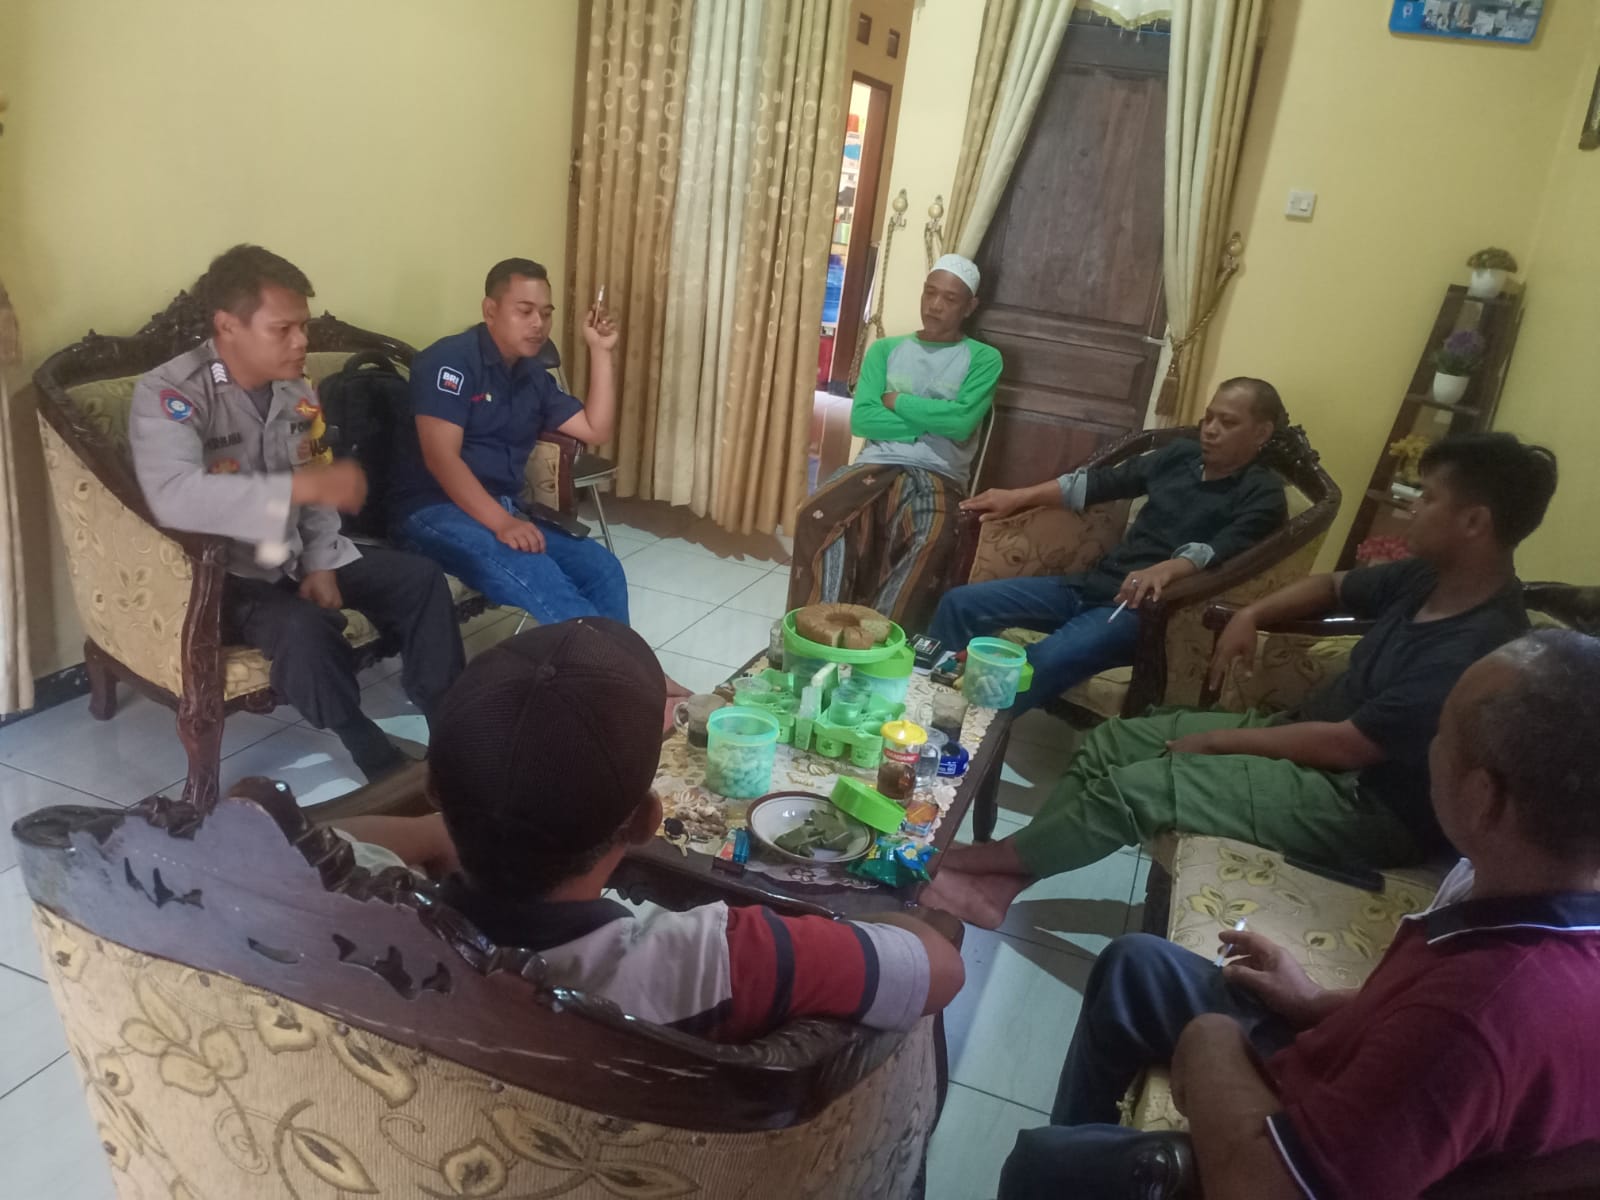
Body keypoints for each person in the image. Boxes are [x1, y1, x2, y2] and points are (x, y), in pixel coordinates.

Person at [997, 629, 1600, 1199]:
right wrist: (1315, 1002)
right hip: (1349, 1075)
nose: (1430, 748)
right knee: (1136, 967)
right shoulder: (1525, 898)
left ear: (1483, 797)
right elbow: (1410, 1029)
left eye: (1443, 734)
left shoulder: (1481, 1012)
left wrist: (1212, 1044)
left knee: (1039, 1162)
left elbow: (1267, 1190)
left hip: (1291, 1156)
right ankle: (1092, 1141)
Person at [923, 432, 1558, 929]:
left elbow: (1349, 746)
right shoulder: (1429, 577)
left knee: (1141, 787)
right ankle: (1007, 883)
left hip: (1362, 803)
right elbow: (1332, 585)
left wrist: (1217, 742)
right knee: (1112, 742)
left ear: (1474, 522)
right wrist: (1251, 615)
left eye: (1429, 497)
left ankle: (990, 862)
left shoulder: (1474, 648)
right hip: (1306, 735)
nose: (1411, 506)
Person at [333, 618, 966, 1042]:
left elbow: (330, 832)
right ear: (644, 821)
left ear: (436, 790)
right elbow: (939, 970)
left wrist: (456, 829)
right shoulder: (712, 960)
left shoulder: (365, 905)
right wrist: (911, 917)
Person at [129, 245, 464, 781]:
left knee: (420, 580)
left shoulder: (297, 389)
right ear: (228, 326)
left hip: (295, 550)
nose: (302, 341)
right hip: (226, 575)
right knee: (303, 629)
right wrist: (295, 490)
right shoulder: (171, 392)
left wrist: (323, 561)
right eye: (283, 329)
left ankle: (449, 722)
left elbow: (315, 479)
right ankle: (366, 746)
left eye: (303, 326)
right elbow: (174, 495)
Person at [927, 379, 1290, 713]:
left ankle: (964, 736)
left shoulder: (1263, 492)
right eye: (1208, 418)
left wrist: (1166, 569)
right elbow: (1100, 483)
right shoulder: (1181, 456)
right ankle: (927, 704)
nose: (1210, 430)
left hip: (1140, 613)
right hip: (1091, 584)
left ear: (1261, 432)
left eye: (1227, 423)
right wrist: (1016, 497)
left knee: (1039, 663)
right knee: (960, 603)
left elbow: (1224, 549)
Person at [388, 258, 629, 626]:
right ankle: (608, 659)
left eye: (545, 314)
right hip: (433, 509)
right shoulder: (450, 361)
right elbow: (441, 458)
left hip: (502, 506)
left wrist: (601, 350)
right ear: (490, 311)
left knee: (604, 568)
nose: (538, 324)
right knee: (540, 574)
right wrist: (503, 523)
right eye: (525, 311)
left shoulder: (532, 374)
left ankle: (612, 659)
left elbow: (596, 430)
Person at [788, 255, 1002, 631]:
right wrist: (930, 423)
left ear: (970, 307)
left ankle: (879, 637)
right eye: (929, 293)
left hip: (939, 472)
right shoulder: (885, 350)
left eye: (949, 299)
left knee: (932, 536)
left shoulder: (984, 359)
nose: (935, 305)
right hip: (875, 463)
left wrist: (896, 401)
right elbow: (863, 419)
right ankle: (821, 629)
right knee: (815, 515)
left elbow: (961, 423)